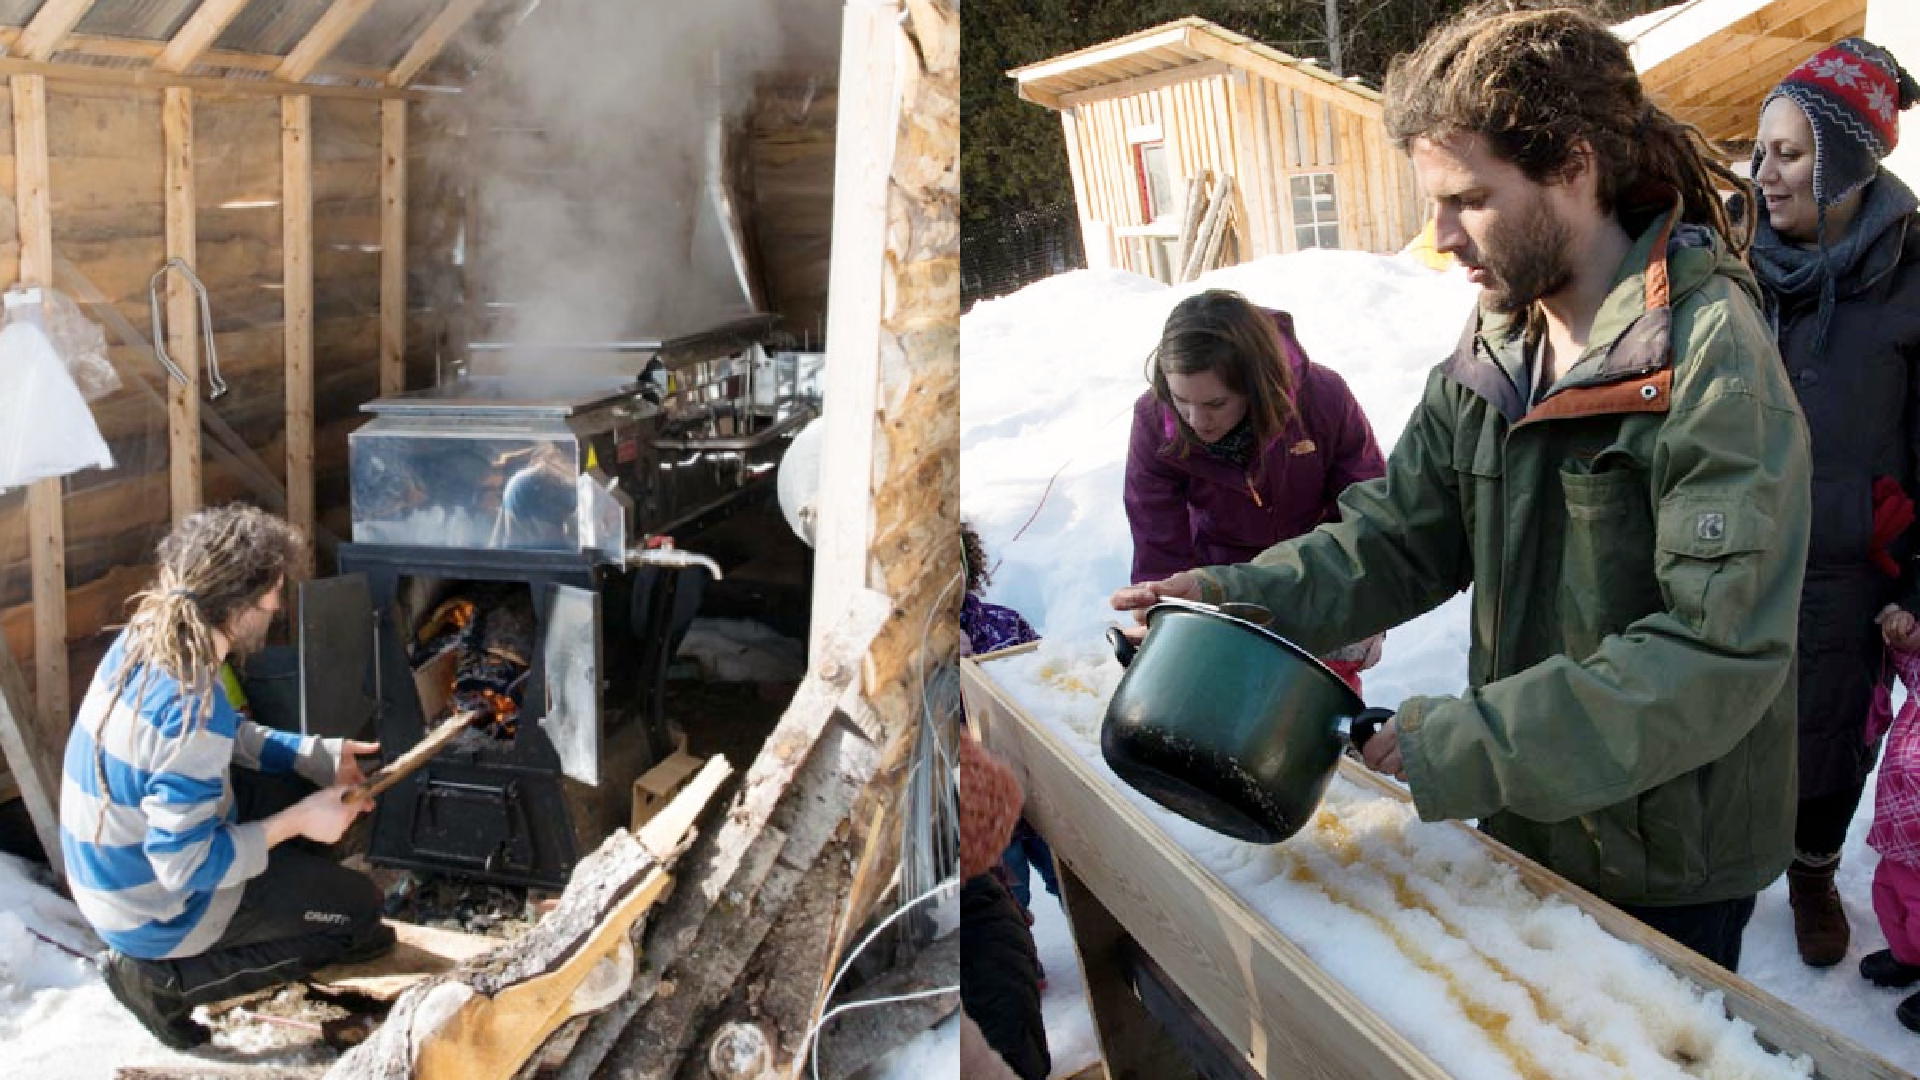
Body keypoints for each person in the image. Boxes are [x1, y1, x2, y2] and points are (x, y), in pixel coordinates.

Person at [1113, 1, 1809, 972]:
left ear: (1573, 165)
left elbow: (1717, 654)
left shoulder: (1709, 366)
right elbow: (1400, 535)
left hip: (1663, 860)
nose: (1440, 235)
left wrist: (1471, 742)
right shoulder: (1501, 337)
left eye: (1469, 198)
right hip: (1531, 814)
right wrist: (1231, 600)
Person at [59, 506, 393, 1050]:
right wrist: (296, 822)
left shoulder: (153, 636)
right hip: (152, 910)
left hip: (122, 864)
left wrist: (311, 754)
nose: (279, 606)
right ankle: (161, 982)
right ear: (241, 607)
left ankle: (281, 890)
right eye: (274, 595)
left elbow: (220, 744)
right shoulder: (188, 712)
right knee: (358, 918)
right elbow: (184, 866)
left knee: (310, 803)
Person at [1747, 37, 1920, 968]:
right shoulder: (1730, 268)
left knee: (1829, 734)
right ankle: (1724, 867)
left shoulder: (1911, 280)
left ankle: (1812, 870)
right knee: (1723, 718)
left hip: (1853, 558)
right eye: (1760, 150)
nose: (1762, 174)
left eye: (1790, 153)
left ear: (1850, 158)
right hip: (1735, 545)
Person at [1124, 290, 1387, 691]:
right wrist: (1162, 616)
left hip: (1316, 572)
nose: (1197, 420)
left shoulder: (1323, 399)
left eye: (1215, 403)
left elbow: (1368, 512)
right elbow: (1158, 542)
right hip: (1218, 579)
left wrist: (1368, 610)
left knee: (1313, 705)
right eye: (1181, 401)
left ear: (1255, 385)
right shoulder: (1152, 421)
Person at [1860, 604, 1920, 1033]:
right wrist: (1898, 630)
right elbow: (1911, 662)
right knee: (1892, 889)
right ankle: (1908, 956)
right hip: (1900, 816)